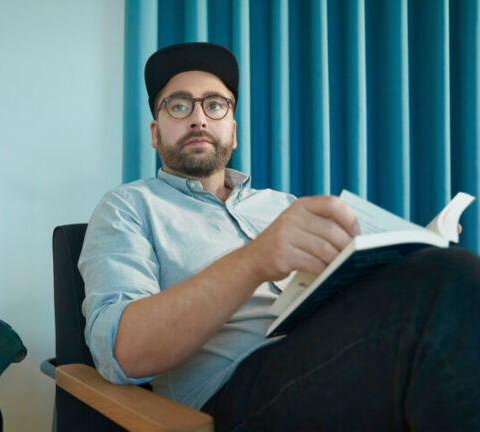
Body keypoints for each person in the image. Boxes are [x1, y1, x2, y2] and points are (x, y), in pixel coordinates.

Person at [79, 42, 480, 430]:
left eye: (215, 105)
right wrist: (256, 259)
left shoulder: (281, 204)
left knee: (442, 277)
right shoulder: (127, 207)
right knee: (449, 282)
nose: (199, 119)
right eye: (179, 105)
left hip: (334, 353)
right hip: (226, 400)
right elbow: (122, 353)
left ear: (232, 132)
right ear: (155, 132)